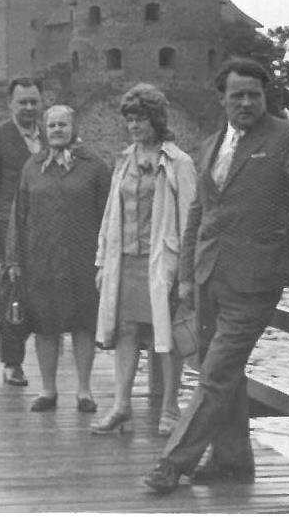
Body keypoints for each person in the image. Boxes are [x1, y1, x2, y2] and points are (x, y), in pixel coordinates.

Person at [143, 57, 289, 495]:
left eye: (255, 94)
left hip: (255, 280)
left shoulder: (286, 137)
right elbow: (199, 210)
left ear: (265, 97)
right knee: (225, 374)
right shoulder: (214, 142)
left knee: (214, 373)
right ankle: (233, 460)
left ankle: (173, 463)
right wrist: (185, 276)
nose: (247, 102)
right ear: (224, 99)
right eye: (238, 95)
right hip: (210, 275)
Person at [92, 83, 196, 437]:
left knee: (163, 335)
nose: (134, 126)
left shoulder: (179, 162)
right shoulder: (124, 160)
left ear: (157, 119)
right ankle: (121, 405)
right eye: (130, 119)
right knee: (126, 331)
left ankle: (169, 407)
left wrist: (186, 274)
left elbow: (190, 221)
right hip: (126, 260)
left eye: (141, 119)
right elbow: (110, 214)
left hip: (162, 261)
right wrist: (102, 261)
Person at [11, 105, 110, 414]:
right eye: (51, 125)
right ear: (44, 129)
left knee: (83, 324)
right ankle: (48, 390)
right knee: (45, 325)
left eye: (62, 124)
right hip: (42, 257)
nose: (56, 130)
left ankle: (84, 391)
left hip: (82, 257)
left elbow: (109, 216)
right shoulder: (32, 167)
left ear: (74, 127)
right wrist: (14, 258)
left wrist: (106, 259)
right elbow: (19, 214)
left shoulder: (93, 166)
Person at [0, 77, 45, 387]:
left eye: (34, 101)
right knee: (11, 298)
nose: (29, 107)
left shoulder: (51, 135)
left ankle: (46, 363)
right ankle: (12, 363)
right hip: (8, 233)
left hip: (45, 232)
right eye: (23, 102)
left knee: (43, 297)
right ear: (10, 104)